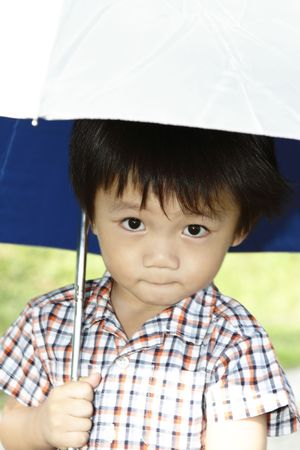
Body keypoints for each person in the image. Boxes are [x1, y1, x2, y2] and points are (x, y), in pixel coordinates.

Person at [0, 120, 299, 450]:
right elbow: (10, 427)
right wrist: (40, 427)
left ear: (240, 227)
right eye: (134, 223)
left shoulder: (233, 342)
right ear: (92, 214)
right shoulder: (49, 320)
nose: (161, 257)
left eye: (195, 229)